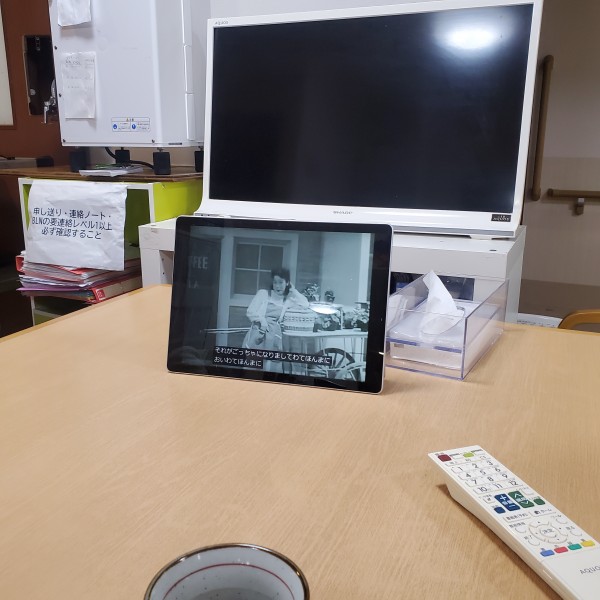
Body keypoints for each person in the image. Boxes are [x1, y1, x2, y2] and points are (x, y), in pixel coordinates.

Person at [243, 268, 309, 371]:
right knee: (253, 366)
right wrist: (262, 322)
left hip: (274, 336)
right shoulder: (263, 294)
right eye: (275, 282)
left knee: (271, 367)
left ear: (287, 283)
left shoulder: (287, 300)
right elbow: (250, 312)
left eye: (281, 282)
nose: (277, 286)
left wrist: (293, 290)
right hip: (259, 333)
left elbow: (305, 304)